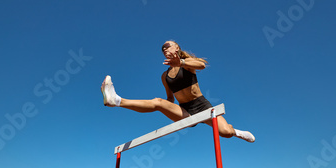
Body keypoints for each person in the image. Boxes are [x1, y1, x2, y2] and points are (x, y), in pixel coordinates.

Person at [100, 40, 255, 142]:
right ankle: (117, 101)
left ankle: (237, 132)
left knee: (225, 133)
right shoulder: (164, 76)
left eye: (168, 45)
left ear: (177, 48)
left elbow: (201, 65)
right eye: (162, 49)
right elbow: (170, 99)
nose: (165, 48)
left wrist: (180, 62)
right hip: (184, 110)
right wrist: (166, 108)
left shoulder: (187, 64)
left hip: (202, 106)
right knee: (158, 102)